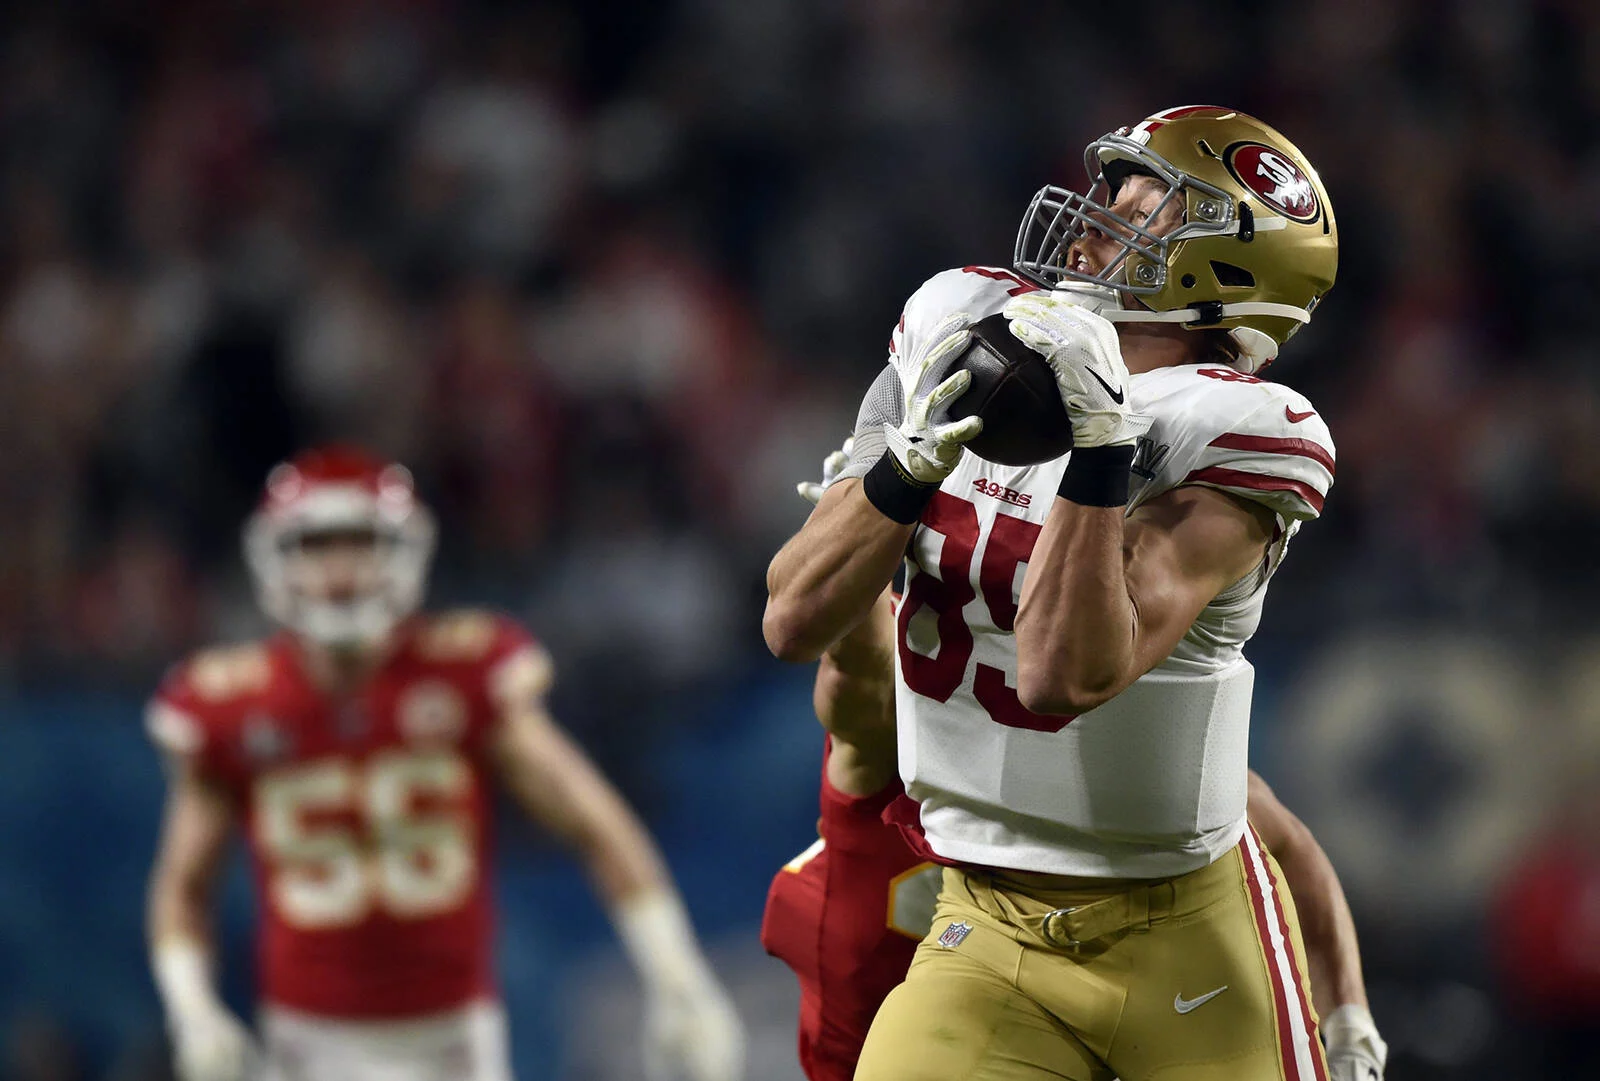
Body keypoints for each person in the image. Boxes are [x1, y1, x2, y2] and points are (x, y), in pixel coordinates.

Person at [765, 106, 1341, 1080]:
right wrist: (905, 467)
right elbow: (792, 619)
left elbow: (1061, 676)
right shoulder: (965, 329)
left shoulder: (1234, 426)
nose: (1096, 217)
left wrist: (1101, 447)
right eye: (1111, 191)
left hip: (1181, 936)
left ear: (1231, 269)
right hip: (981, 922)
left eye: (1147, 206)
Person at [763, 449, 1386, 1081]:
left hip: (1132, 973)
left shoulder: (1080, 709)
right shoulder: (898, 730)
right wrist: (866, 516)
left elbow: (1281, 841)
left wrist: (1350, 1021)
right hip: (955, 987)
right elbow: (852, 670)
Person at [145, 446, 745, 1081]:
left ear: (405, 551)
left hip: (455, 1041)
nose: (341, 571)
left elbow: (597, 825)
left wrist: (678, 975)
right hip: (304, 1043)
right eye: (319, 546)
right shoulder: (230, 704)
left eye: (362, 543)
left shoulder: (463, 673)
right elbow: (184, 885)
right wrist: (191, 1009)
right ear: (276, 558)